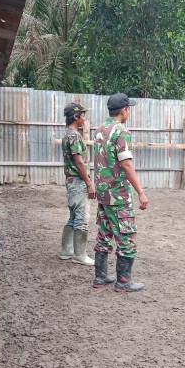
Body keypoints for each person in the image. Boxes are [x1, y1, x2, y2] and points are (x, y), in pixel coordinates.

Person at [92, 93, 149, 292]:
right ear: (124, 110)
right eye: (129, 109)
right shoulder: (121, 131)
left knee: (104, 233)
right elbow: (125, 163)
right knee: (126, 236)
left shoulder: (99, 130)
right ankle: (124, 281)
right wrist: (141, 192)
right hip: (118, 194)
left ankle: (100, 277)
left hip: (103, 192)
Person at [58, 102, 100, 268]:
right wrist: (89, 183)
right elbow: (79, 162)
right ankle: (79, 254)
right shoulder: (75, 136)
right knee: (81, 219)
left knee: (73, 217)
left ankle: (66, 250)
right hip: (78, 181)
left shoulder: (67, 135)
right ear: (75, 117)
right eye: (83, 114)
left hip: (71, 181)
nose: (85, 117)